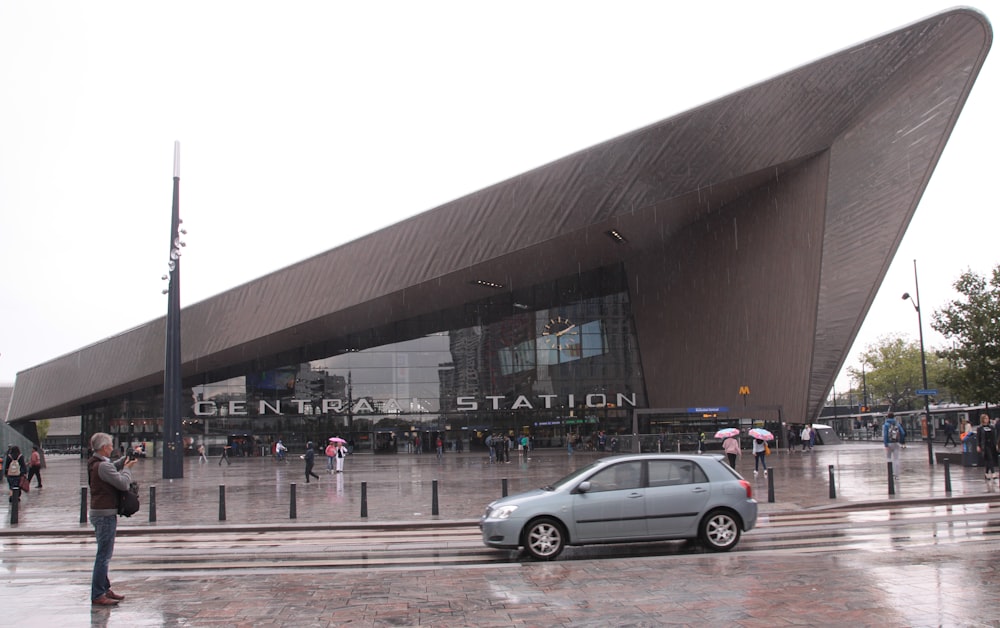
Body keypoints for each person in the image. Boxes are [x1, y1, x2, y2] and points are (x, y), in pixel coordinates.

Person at [87, 432, 137, 606]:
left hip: (99, 512)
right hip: (105, 514)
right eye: (109, 446)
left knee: (104, 554)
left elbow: (111, 467)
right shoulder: (102, 466)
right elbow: (123, 483)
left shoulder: (96, 462)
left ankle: (104, 588)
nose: (111, 448)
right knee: (104, 556)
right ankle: (98, 593)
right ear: (103, 447)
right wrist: (128, 469)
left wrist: (125, 459)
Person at [882, 412, 906, 478]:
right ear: (893, 417)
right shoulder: (897, 424)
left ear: (887, 417)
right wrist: (901, 441)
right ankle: (897, 475)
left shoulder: (886, 425)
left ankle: (890, 473)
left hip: (889, 443)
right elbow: (903, 433)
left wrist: (885, 444)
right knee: (896, 459)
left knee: (888, 458)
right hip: (896, 443)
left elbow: (885, 435)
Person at [976, 414, 998, 481]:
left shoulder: (991, 427)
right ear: (982, 419)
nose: (987, 420)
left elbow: (994, 436)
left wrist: (996, 444)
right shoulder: (980, 428)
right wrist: (978, 445)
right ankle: (993, 473)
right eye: (985, 418)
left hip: (991, 444)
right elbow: (978, 438)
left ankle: (986, 473)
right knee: (989, 458)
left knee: (989, 460)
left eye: (987, 418)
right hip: (985, 445)